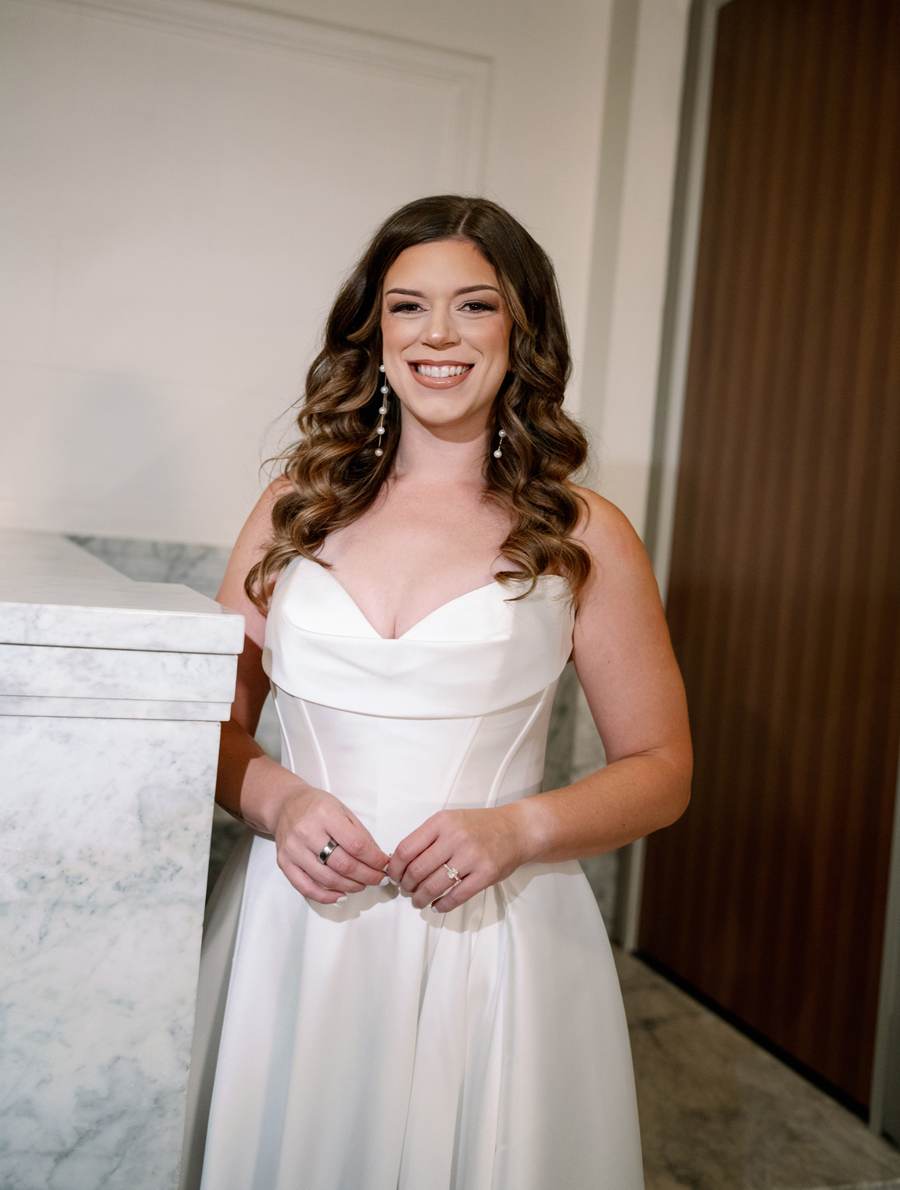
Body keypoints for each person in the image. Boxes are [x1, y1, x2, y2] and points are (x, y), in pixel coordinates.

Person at [180, 195, 692, 1190]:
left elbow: (663, 768)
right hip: (296, 929)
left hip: (493, 941)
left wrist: (519, 830)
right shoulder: (293, 510)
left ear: (521, 332)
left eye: (476, 305)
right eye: (408, 306)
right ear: (374, 334)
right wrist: (279, 800)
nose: (438, 335)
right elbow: (209, 724)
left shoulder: (583, 533)